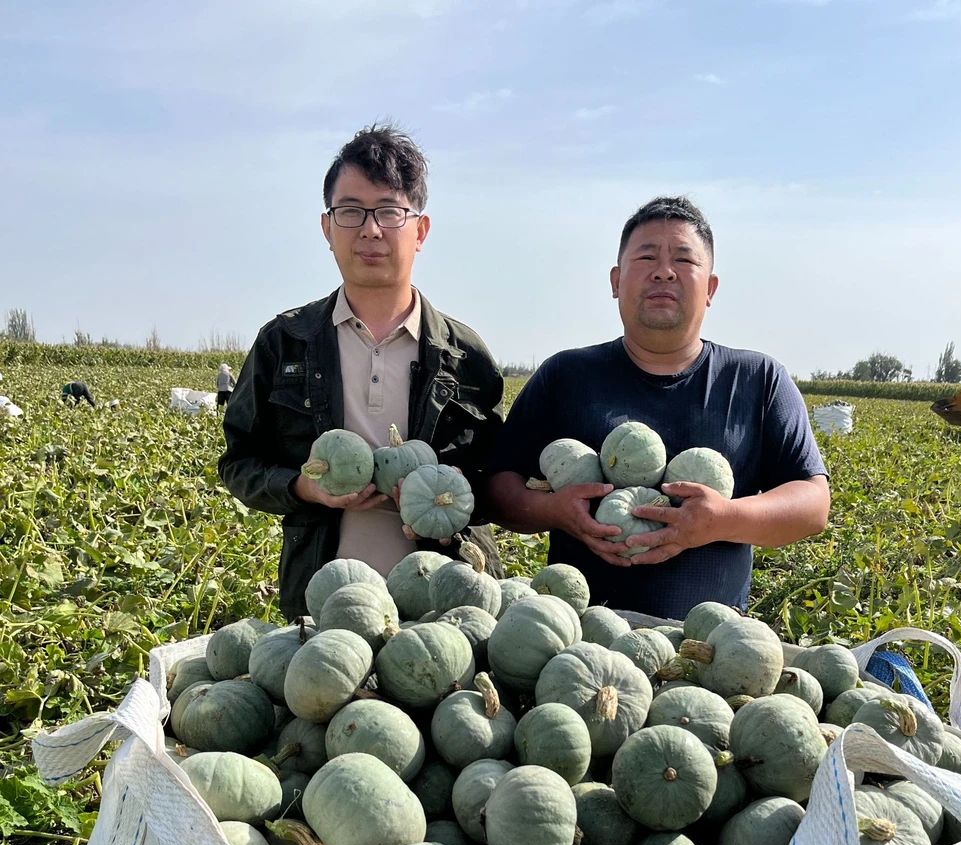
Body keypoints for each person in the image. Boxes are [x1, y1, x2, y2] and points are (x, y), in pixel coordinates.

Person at [485, 195, 830, 620]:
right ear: (615, 281)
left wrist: (722, 519)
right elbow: (498, 487)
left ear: (711, 289)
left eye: (684, 260)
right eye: (646, 256)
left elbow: (812, 504)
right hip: (574, 646)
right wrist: (553, 510)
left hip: (710, 654)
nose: (664, 270)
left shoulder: (758, 380)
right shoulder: (565, 375)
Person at [219, 124, 504, 620]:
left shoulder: (466, 355)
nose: (370, 229)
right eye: (351, 211)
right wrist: (302, 487)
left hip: (445, 610)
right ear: (328, 228)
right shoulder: (284, 343)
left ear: (420, 230)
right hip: (326, 608)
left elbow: (499, 481)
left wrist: (452, 504)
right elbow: (239, 463)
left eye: (390, 212)